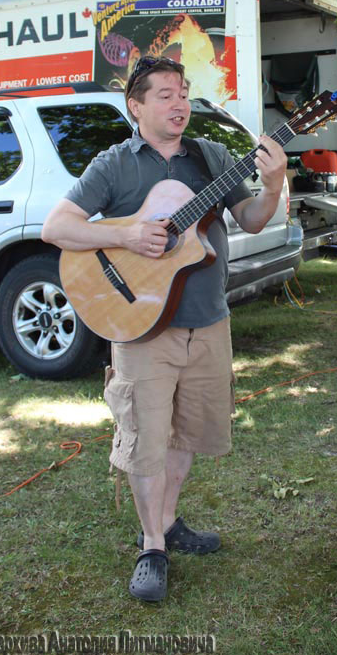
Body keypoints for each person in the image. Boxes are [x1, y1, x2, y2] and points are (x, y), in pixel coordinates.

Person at [42, 55, 287, 602]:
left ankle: (168, 521)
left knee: (187, 434)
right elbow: (57, 227)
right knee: (145, 438)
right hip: (141, 326)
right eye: (165, 95)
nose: (180, 104)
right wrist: (127, 236)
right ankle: (151, 545)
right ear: (137, 106)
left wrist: (273, 185)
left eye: (183, 92)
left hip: (209, 320)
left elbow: (251, 220)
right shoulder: (114, 164)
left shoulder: (212, 156)